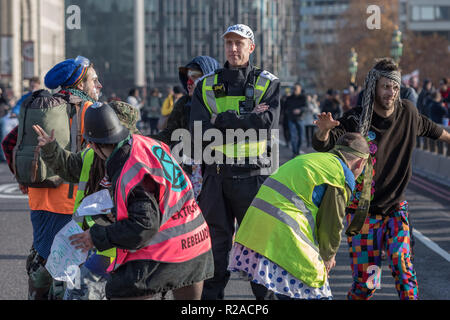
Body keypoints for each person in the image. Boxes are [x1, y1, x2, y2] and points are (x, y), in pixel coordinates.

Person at [312, 57, 450, 300]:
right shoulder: (355, 119)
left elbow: (435, 131)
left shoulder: (408, 113)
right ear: (374, 86)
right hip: (363, 212)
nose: (391, 92)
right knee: (367, 284)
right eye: (386, 86)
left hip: (396, 209)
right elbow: (324, 145)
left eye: (395, 87)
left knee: (402, 266)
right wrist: (324, 131)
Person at [69, 103, 213, 300]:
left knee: (119, 291)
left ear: (93, 144)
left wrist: (97, 236)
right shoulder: (147, 144)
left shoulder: (130, 170)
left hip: (167, 249)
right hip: (197, 240)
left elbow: (143, 226)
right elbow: (162, 196)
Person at [190, 24, 280, 300]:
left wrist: (220, 119)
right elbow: (197, 131)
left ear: (251, 47)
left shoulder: (268, 82)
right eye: (229, 43)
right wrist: (247, 117)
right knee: (215, 250)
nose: (233, 48)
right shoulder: (205, 85)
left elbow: (266, 126)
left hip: (253, 178)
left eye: (240, 43)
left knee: (258, 251)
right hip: (216, 179)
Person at [229, 132, 370, 300]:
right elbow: (332, 222)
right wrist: (327, 257)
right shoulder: (341, 174)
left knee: (285, 293)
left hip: (254, 232)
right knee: (316, 289)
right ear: (361, 162)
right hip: (283, 234)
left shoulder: (316, 159)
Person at [6, 56, 102, 300]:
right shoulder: (90, 112)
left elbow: (9, 143)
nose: (98, 86)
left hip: (39, 202)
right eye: (94, 80)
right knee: (69, 274)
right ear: (80, 85)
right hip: (73, 206)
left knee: (43, 261)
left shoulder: (43, 109)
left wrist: (24, 177)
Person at [32, 100, 141, 300]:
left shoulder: (135, 159)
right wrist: (50, 148)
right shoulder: (91, 154)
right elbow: (69, 166)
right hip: (86, 242)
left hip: (121, 246)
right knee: (74, 290)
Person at [151, 56, 220, 199]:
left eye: (194, 77)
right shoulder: (183, 103)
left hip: (218, 173)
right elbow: (169, 134)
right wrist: (140, 139)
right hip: (188, 173)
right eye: (187, 77)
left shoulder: (220, 103)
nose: (189, 83)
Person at [285, 83, 308, 157]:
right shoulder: (289, 98)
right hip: (291, 119)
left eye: (296, 89)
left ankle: (297, 150)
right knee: (293, 136)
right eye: (294, 89)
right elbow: (285, 108)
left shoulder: (303, 97)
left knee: (301, 137)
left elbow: (306, 107)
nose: (294, 90)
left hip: (300, 119)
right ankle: (294, 152)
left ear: (300, 90)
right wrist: (290, 112)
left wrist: (300, 110)